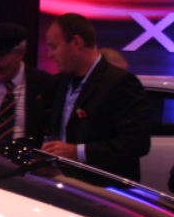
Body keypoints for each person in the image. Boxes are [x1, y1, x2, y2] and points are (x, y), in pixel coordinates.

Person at [44, 12, 150, 181]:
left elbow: (136, 142)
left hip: (104, 195)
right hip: (63, 187)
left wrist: (77, 152)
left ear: (77, 42)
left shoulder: (119, 82)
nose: (49, 54)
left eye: (54, 46)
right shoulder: (61, 82)